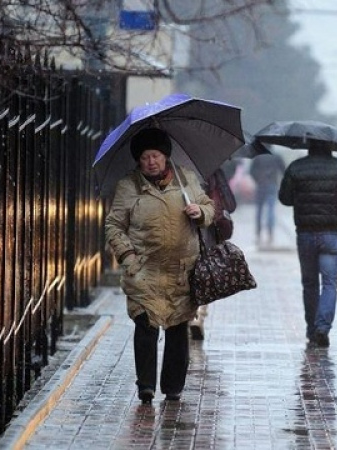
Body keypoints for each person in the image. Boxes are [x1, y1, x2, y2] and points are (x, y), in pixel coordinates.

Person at [104, 128, 215, 404]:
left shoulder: (185, 178)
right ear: (138, 161)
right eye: (144, 157)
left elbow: (209, 208)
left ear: (165, 157)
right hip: (145, 271)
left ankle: (173, 387)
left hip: (182, 271)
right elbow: (114, 225)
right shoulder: (128, 186)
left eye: (155, 155)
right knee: (146, 326)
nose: (151, 162)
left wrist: (200, 213)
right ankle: (146, 386)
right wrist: (128, 258)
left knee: (177, 329)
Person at [278, 141, 337, 348]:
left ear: (309, 146)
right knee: (330, 283)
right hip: (331, 233)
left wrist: (301, 198)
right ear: (331, 147)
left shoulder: (296, 167)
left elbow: (285, 198)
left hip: (305, 233)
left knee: (309, 284)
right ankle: (322, 328)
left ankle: (311, 330)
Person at [188, 168, 237, 341]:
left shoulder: (176, 171)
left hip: (186, 226)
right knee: (204, 271)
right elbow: (231, 203)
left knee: (188, 271)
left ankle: (189, 315)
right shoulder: (213, 169)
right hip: (208, 227)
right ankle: (198, 316)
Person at [249, 153, 286, 245]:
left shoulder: (258, 156)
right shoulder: (276, 156)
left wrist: (257, 179)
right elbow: (284, 171)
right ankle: (270, 233)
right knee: (271, 209)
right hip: (272, 185)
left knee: (259, 211)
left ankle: (258, 233)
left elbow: (251, 171)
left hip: (261, 185)